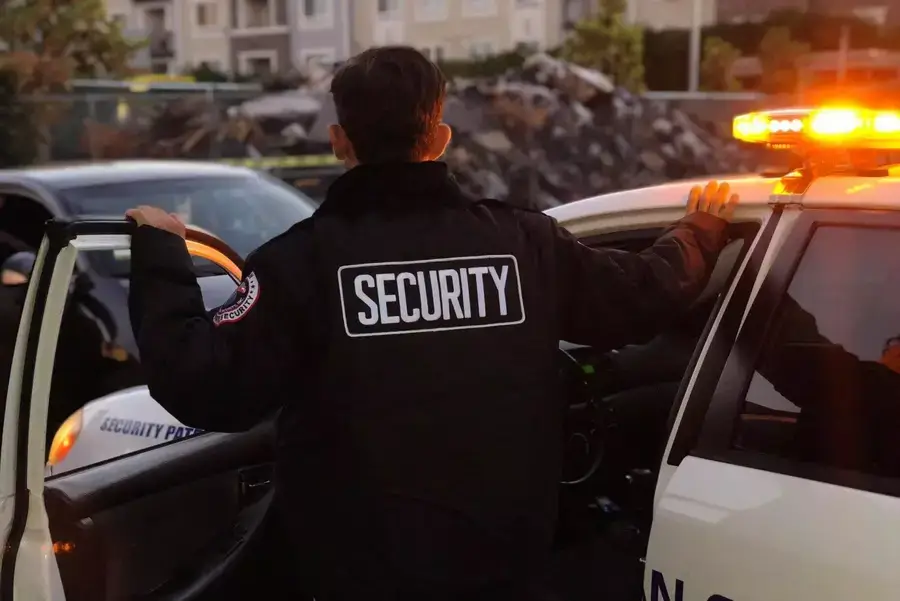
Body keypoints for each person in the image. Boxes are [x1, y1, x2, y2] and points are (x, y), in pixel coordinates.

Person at [125, 46, 738, 601]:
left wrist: (159, 255)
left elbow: (201, 383)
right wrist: (697, 235)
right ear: (440, 137)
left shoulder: (300, 265)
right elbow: (640, 297)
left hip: (359, 579)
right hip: (507, 574)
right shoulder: (524, 245)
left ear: (340, 142)